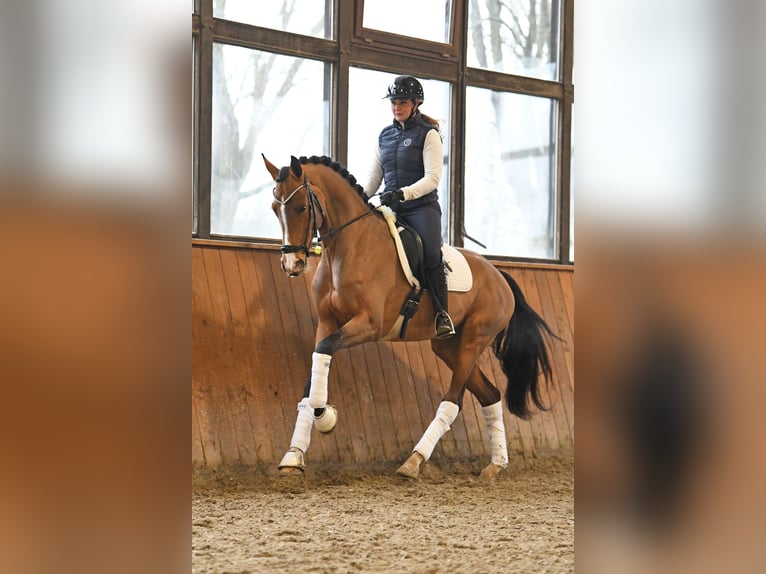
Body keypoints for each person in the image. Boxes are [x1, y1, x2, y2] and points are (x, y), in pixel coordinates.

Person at [363, 75, 455, 339]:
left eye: (402, 102)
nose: (396, 107)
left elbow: (433, 178)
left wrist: (402, 194)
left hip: (420, 209)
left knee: (430, 254)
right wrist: (360, 195)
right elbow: (374, 177)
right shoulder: (385, 135)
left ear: (416, 104)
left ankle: (441, 314)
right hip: (391, 207)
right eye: (393, 102)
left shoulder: (428, 135)